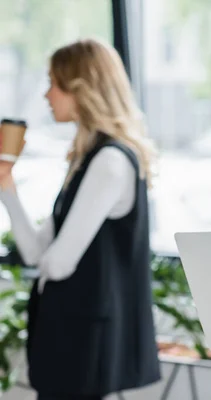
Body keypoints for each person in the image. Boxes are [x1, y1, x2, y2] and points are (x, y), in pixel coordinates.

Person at [0, 38, 160, 399]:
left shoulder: (110, 162)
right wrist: (6, 185)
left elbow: (57, 263)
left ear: (82, 89)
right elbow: (35, 252)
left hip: (83, 343)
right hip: (70, 338)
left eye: (54, 84)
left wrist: (48, 260)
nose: (47, 95)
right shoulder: (86, 160)